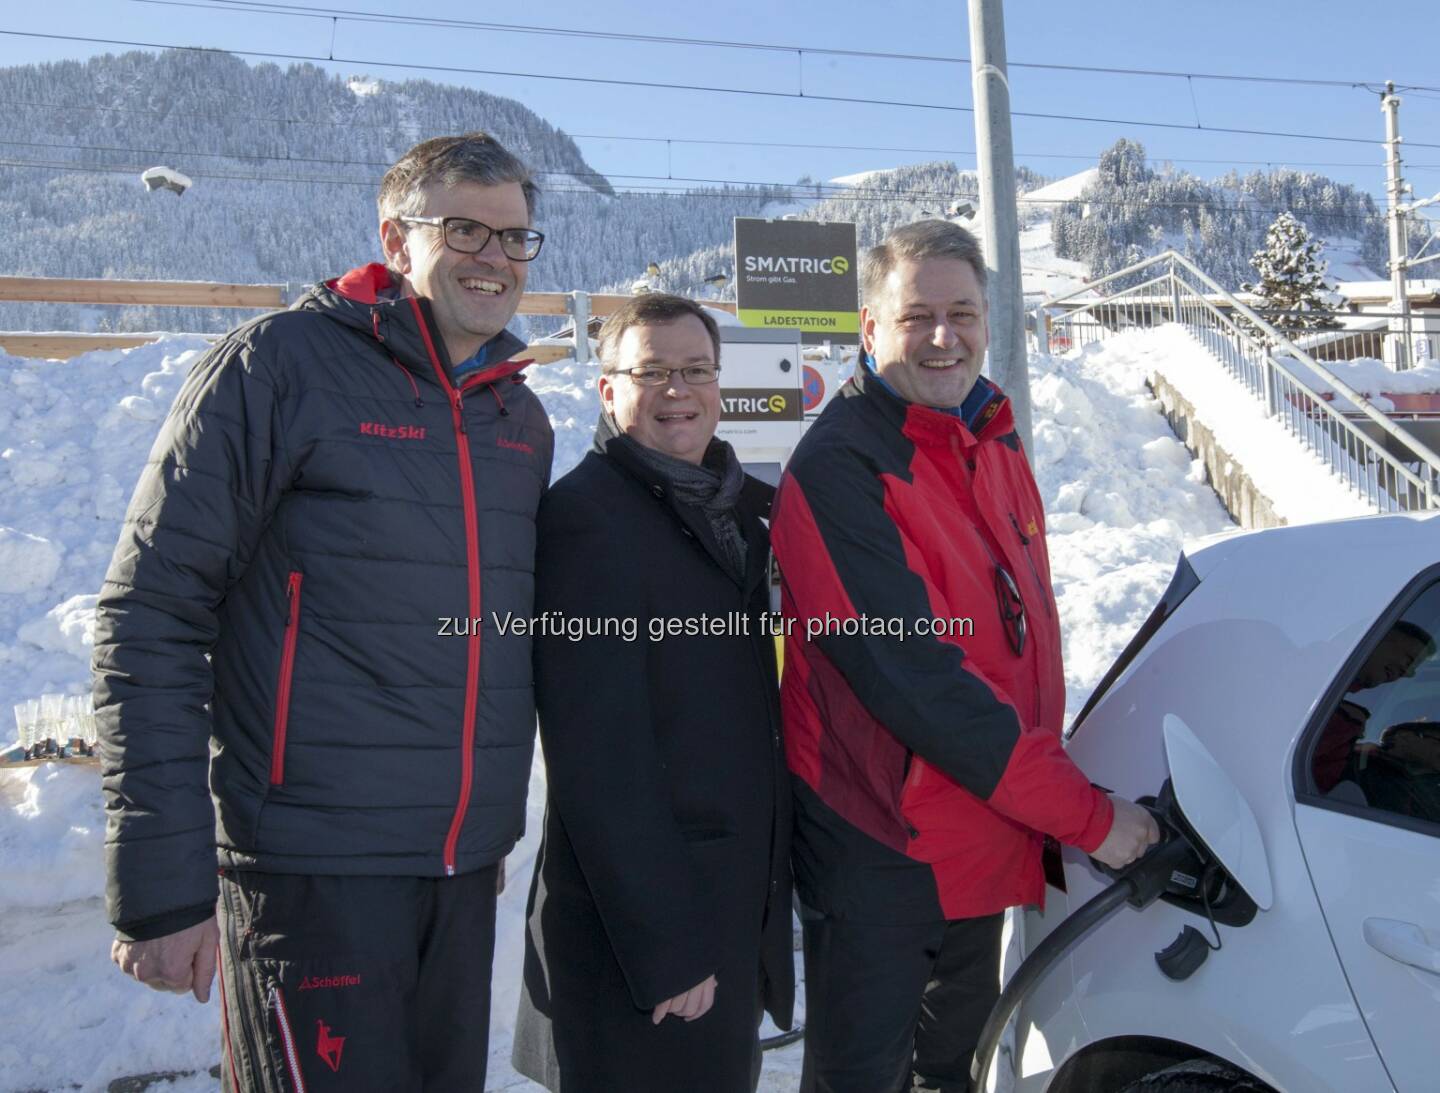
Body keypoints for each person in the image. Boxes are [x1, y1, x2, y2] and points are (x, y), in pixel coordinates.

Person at [93, 132, 554, 1091]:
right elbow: (152, 611)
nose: (495, 258)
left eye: (515, 238)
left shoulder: (518, 417)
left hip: (459, 873)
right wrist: (161, 887)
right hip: (309, 873)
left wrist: (475, 828)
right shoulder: (281, 368)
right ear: (395, 236)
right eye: (465, 227)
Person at [768, 220, 1160, 1093]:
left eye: (963, 312)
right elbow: (920, 682)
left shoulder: (991, 438)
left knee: (957, 1067)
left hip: (981, 822)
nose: (944, 336)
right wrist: (1089, 818)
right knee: (862, 1074)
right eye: (916, 316)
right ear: (869, 329)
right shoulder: (841, 468)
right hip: (884, 839)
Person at [512, 293, 794, 1092]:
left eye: (696, 369)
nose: (680, 389)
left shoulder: (741, 508)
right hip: (643, 944)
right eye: (654, 371)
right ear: (608, 390)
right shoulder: (585, 522)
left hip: (727, 914)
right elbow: (599, 759)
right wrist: (666, 947)